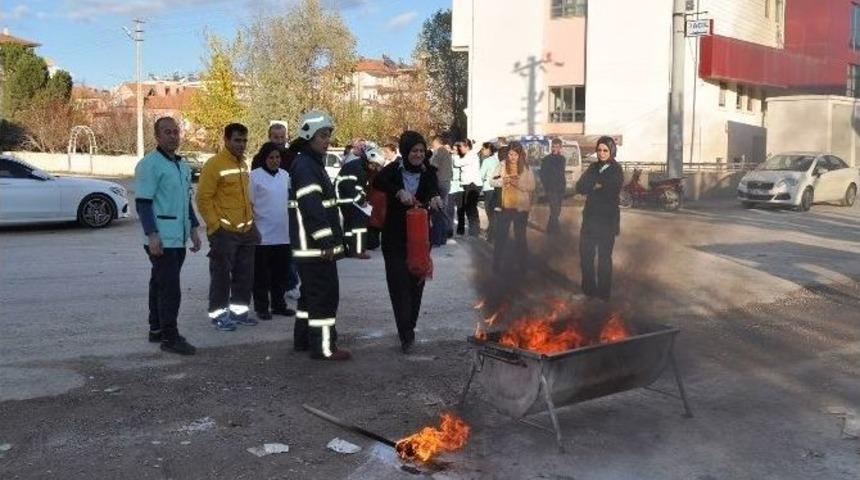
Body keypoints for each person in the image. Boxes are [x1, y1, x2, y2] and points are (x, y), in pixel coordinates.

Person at [134, 117, 201, 355]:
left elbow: (186, 202)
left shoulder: (181, 166)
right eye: (167, 132)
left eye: (175, 131)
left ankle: (156, 329)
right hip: (161, 239)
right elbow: (143, 203)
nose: (173, 136)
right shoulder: (149, 165)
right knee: (170, 289)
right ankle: (170, 337)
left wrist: (193, 228)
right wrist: (152, 235)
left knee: (159, 283)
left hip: (178, 237)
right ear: (157, 136)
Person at [288, 110, 351, 361]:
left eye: (328, 135)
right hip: (315, 248)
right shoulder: (306, 166)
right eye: (323, 135)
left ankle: (303, 340)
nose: (328, 141)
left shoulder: (308, 163)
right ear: (309, 136)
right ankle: (324, 347)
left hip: (309, 247)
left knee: (310, 297)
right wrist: (326, 240)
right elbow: (312, 206)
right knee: (324, 297)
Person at [373, 131, 443, 353]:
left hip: (420, 240)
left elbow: (432, 188)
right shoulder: (393, 170)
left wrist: (434, 197)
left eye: (422, 151)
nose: (418, 155)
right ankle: (405, 333)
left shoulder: (429, 172)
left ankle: (409, 325)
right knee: (399, 285)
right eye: (414, 151)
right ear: (405, 151)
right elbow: (378, 181)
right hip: (394, 238)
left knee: (416, 285)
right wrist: (398, 192)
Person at [197, 123, 260, 331]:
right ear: (226, 140)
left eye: (244, 140)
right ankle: (218, 315)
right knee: (221, 277)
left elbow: (244, 198)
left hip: (245, 232)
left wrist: (252, 225)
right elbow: (203, 198)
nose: (241, 145)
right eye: (237, 140)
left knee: (245, 275)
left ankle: (239, 313)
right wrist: (215, 227)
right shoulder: (214, 165)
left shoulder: (243, 164)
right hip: (224, 233)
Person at [250, 142, 296, 320]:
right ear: (264, 158)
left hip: (283, 234)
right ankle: (262, 307)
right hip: (263, 235)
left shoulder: (285, 175)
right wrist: (252, 228)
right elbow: (250, 204)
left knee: (281, 274)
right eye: (271, 157)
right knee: (261, 275)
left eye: (277, 157)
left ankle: (279, 305)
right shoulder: (254, 177)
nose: (275, 160)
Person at [576, 136, 624, 301]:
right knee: (585, 255)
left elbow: (610, 190)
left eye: (605, 150)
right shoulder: (592, 167)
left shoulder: (616, 170)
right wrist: (594, 186)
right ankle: (588, 290)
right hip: (589, 220)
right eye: (599, 150)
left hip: (607, 222)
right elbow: (580, 186)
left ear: (611, 151)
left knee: (604, 259)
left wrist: (594, 186)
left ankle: (603, 295)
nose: (602, 153)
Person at [492, 142, 535, 272]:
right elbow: (492, 180)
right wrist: (502, 181)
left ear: (520, 155)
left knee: (520, 238)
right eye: (510, 154)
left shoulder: (526, 167)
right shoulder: (501, 165)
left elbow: (531, 185)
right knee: (501, 236)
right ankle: (496, 264)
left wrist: (517, 183)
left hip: (521, 208)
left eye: (515, 155)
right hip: (505, 206)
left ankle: (523, 266)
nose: (512, 157)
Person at [335, 142, 373, 259]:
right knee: (358, 226)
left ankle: (349, 249)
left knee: (349, 226)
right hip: (349, 200)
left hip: (345, 200)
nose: (375, 168)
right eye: (375, 165)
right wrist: (362, 201)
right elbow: (351, 188)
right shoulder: (358, 168)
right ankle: (358, 250)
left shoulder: (357, 166)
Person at [454, 139, 481, 236]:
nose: (459, 149)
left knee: (471, 208)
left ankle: (475, 230)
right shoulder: (469, 155)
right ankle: (474, 230)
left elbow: (457, 163)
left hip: (472, 184)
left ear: (467, 147)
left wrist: (456, 154)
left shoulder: (471, 155)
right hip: (469, 184)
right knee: (469, 207)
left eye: (461, 147)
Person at [429, 135, 453, 246]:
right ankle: (442, 237)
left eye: (433, 142)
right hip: (446, 182)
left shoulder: (440, 152)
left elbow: (433, 166)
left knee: (437, 211)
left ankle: (438, 238)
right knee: (442, 209)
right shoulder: (446, 152)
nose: (432, 145)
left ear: (437, 142)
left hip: (439, 182)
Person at [540, 138, 567, 235]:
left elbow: (561, 174)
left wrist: (563, 185)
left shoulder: (562, 159)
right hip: (551, 188)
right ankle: (555, 230)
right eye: (554, 147)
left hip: (560, 188)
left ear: (560, 148)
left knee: (558, 209)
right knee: (554, 209)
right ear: (551, 147)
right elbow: (542, 174)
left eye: (557, 147)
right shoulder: (546, 159)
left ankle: (550, 228)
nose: (555, 148)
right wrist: (546, 185)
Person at [478, 142, 499, 240]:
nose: (482, 151)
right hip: (498, 189)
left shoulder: (487, 161)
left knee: (490, 213)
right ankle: (494, 233)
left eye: (483, 149)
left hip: (488, 188)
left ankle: (491, 235)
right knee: (495, 212)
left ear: (488, 149)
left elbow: (481, 175)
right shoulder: (498, 159)